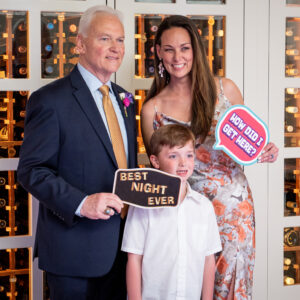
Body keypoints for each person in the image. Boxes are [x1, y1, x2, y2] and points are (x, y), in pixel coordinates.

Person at [141, 15, 279, 300]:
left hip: (233, 212)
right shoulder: (151, 110)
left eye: (185, 48)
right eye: (168, 49)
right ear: (158, 52)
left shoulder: (225, 90)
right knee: (186, 286)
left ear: (196, 50)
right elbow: (159, 173)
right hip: (184, 213)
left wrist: (265, 148)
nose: (177, 57)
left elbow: (247, 143)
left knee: (229, 288)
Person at [17, 5, 137, 300]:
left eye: (120, 40)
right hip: (74, 255)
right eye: (105, 39)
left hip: (125, 251)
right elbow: (32, 171)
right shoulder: (49, 100)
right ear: (80, 44)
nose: (115, 48)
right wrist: (82, 203)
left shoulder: (124, 99)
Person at [122, 124, 222, 300]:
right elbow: (134, 259)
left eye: (189, 155)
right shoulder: (143, 206)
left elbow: (208, 260)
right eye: (173, 156)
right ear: (155, 161)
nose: (183, 163)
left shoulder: (204, 207)